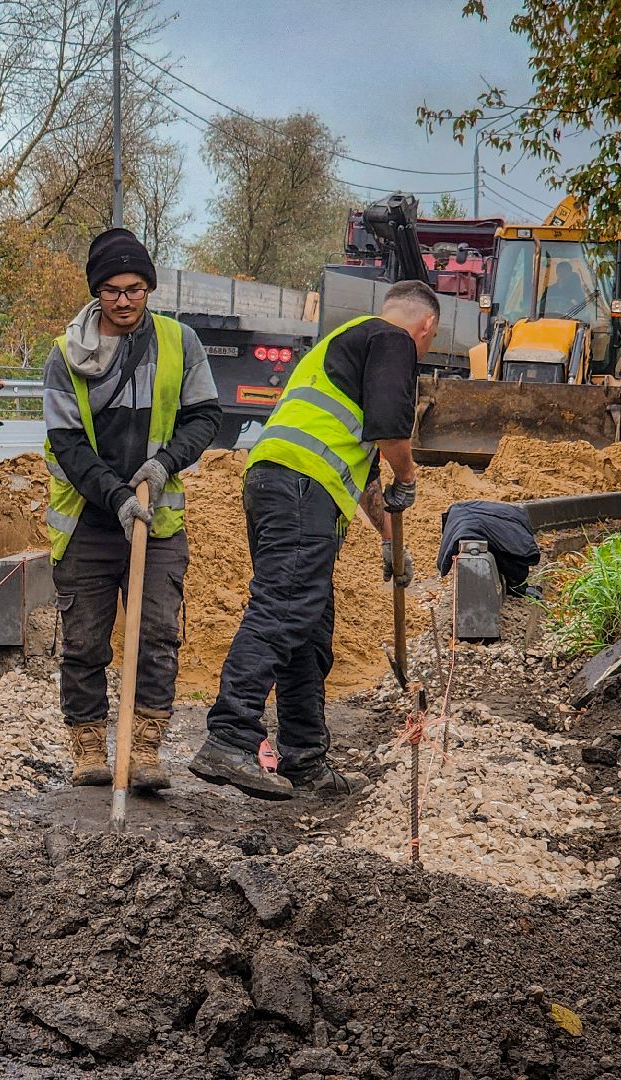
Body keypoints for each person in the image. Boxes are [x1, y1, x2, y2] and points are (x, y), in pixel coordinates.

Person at [187, 281, 440, 800]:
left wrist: (390, 539)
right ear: (427, 327)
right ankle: (230, 736)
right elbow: (393, 435)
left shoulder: (340, 345)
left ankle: (304, 755)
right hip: (302, 487)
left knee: (307, 623)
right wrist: (409, 478)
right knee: (283, 608)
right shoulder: (393, 339)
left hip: (276, 483)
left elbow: (364, 470)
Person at [43, 228, 222, 793]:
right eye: (113, 290)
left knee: (157, 635)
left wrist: (164, 464)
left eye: (136, 288)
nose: (125, 300)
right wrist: (116, 495)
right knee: (85, 641)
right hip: (89, 523)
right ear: (98, 292)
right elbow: (67, 443)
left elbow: (205, 416)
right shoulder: (66, 355)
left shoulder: (179, 342)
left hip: (158, 520)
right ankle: (89, 748)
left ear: (148, 288)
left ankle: (144, 750)